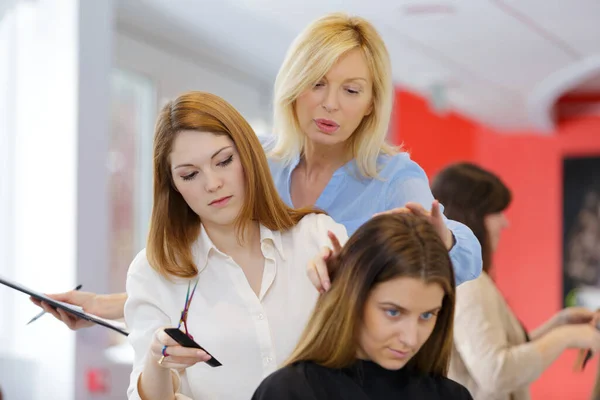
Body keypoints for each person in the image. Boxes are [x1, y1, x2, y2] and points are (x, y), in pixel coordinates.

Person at [33, 12, 481, 329]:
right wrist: (98, 306)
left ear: (370, 103)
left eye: (351, 90)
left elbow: (465, 262)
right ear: (293, 84)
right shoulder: (256, 160)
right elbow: (216, 278)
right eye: (317, 83)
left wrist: (440, 240)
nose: (330, 103)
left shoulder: (394, 178)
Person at [124, 91, 349, 400]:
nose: (212, 183)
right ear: (173, 186)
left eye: (224, 161)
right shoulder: (153, 273)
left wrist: (353, 287)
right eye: (190, 174)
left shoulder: (317, 238)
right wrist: (156, 359)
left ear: (248, 155)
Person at [252, 213, 472, 400]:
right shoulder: (288, 392)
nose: (410, 339)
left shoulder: (452, 396)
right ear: (353, 297)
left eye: (427, 315)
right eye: (393, 312)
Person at [431, 162, 600, 400]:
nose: (504, 222)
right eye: (496, 212)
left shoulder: (472, 280)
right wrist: (567, 337)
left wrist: (561, 325)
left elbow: (506, 354)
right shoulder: (470, 283)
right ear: (474, 215)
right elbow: (496, 373)